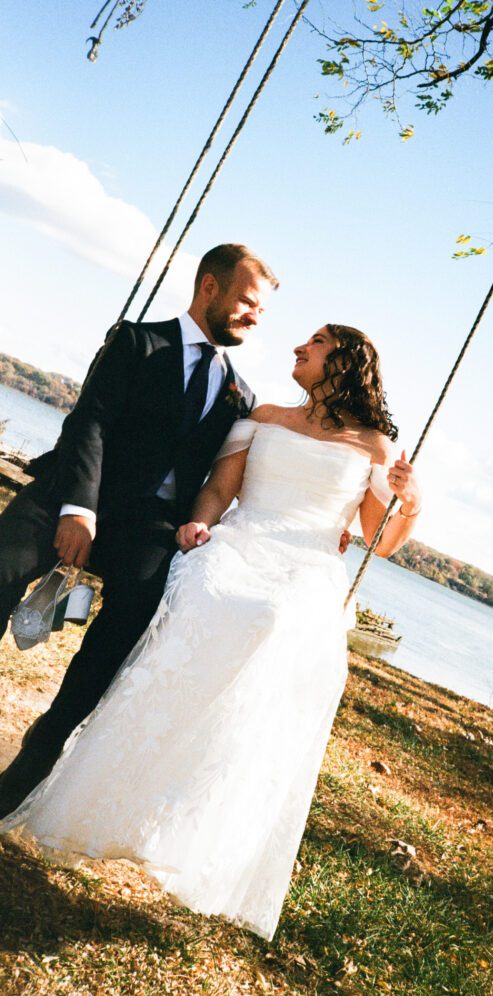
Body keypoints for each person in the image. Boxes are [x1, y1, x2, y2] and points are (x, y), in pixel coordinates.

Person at [0, 323, 422, 941]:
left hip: (305, 561)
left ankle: (195, 807)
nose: (298, 348)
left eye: (315, 343)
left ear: (346, 360)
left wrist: (411, 503)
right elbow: (220, 488)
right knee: (202, 587)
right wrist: (198, 525)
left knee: (273, 619)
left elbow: (381, 541)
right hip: (242, 540)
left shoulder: (378, 449)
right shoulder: (263, 415)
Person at [0, 243, 278, 819]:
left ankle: (35, 759)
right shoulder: (135, 341)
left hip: (148, 528)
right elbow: (89, 422)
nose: (255, 317)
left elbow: (227, 479)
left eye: (262, 311)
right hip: (71, 494)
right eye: (248, 302)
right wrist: (80, 507)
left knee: (133, 621)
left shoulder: (240, 395)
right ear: (209, 288)